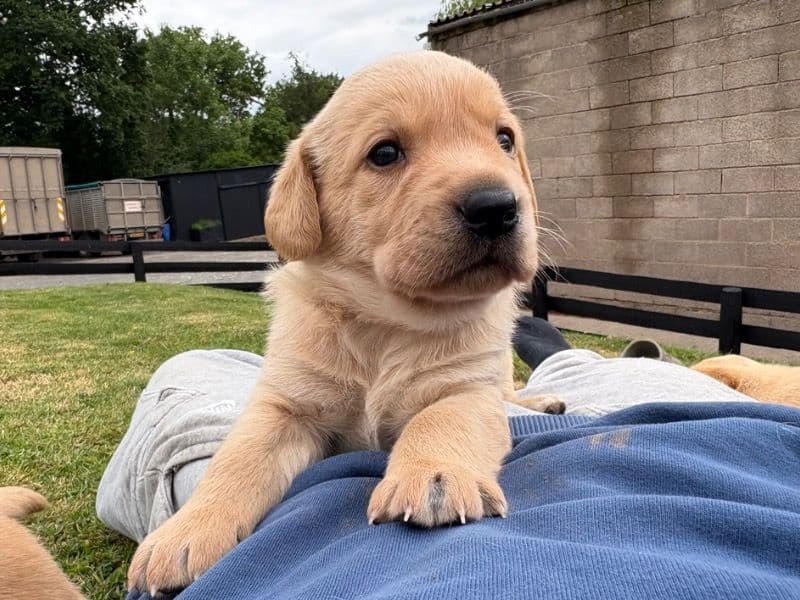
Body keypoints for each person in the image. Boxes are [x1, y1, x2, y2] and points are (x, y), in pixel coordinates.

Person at [98, 319, 800, 600]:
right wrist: (219, 505)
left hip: (326, 522)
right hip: (681, 444)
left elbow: (466, 408)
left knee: (201, 373)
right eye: (386, 153)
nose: (493, 183)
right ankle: (564, 357)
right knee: (621, 381)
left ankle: (542, 363)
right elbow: (284, 415)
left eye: (504, 141)